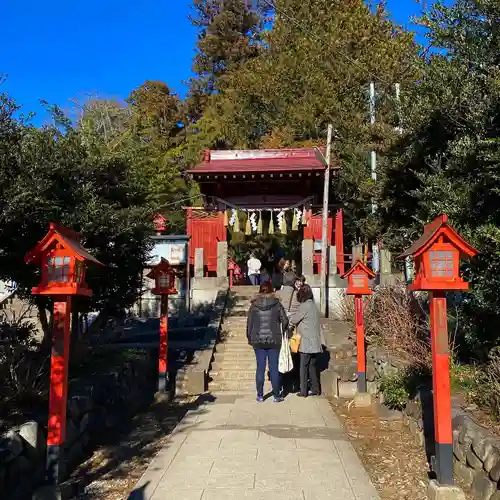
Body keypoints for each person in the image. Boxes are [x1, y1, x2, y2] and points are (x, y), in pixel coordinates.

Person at [246, 281, 290, 403]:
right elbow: (285, 320)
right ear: (272, 290)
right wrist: (283, 329)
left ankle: (260, 395)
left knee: (260, 367)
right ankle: (276, 395)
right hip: (274, 339)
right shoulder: (277, 304)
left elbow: (249, 324)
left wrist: (249, 337)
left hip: (258, 340)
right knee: (273, 367)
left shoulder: (254, 305)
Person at [290, 284, 323, 397]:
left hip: (306, 342)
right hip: (315, 342)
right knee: (312, 367)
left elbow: (294, 320)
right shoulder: (313, 305)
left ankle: (303, 391)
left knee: (303, 367)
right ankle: (315, 389)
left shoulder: (304, 306)